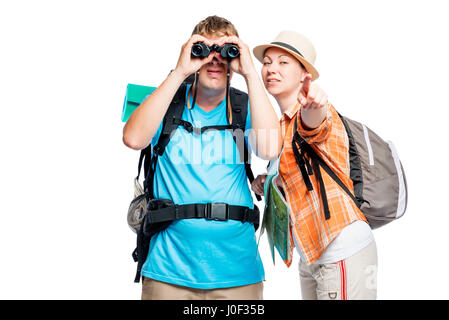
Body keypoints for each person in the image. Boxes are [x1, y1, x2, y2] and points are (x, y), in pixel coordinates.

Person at [122, 16, 281, 300]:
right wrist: (180, 72)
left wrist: (250, 74)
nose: (215, 59)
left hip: (238, 274)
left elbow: (269, 149)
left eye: (226, 52)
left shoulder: (242, 108)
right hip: (168, 272)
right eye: (205, 50)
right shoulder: (167, 103)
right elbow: (133, 139)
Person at [251, 31, 378, 300]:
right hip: (312, 254)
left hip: (341, 248)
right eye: (268, 62)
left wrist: (313, 105)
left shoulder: (316, 110)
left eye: (284, 62)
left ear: (303, 73)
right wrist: (268, 181)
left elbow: (314, 125)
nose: (272, 68)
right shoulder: (282, 125)